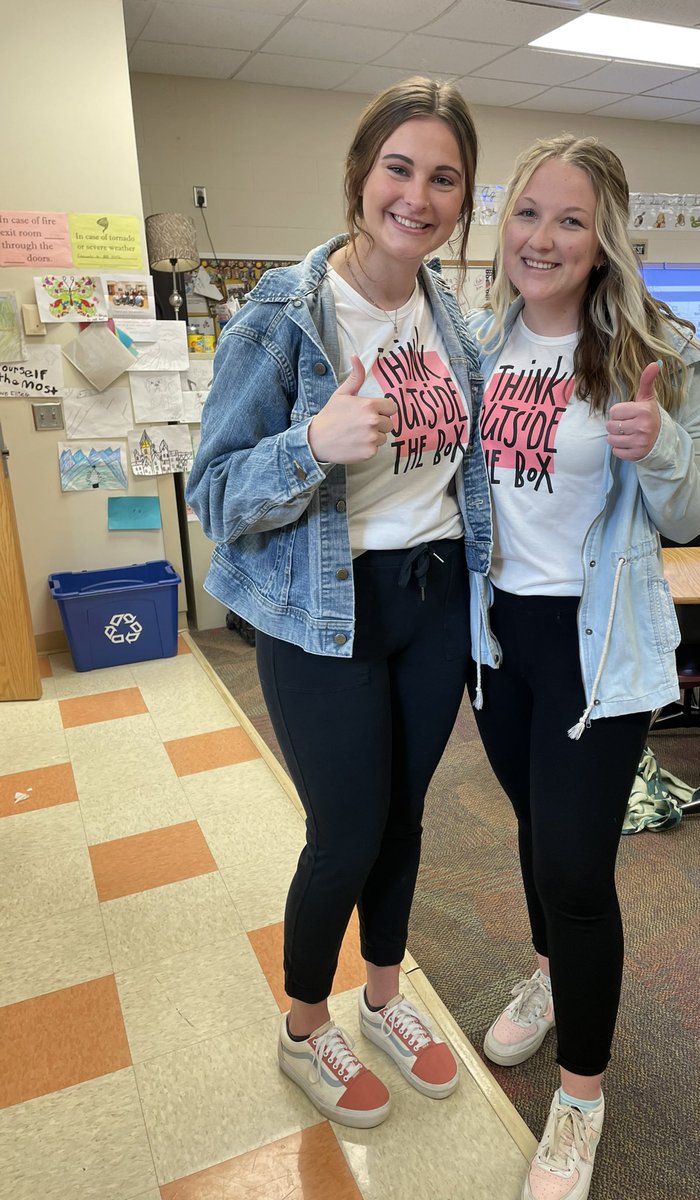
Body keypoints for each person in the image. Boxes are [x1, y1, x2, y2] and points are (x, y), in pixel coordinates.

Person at [186, 77, 491, 1131]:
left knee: (404, 819)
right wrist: (312, 444)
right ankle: (306, 1025)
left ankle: (385, 997)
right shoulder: (283, 313)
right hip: (324, 609)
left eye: (444, 177)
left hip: (433, 594)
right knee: (347, 827)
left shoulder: (453, 317)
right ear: (361, 173)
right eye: (399, 167)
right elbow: (213, 495)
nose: (418, 194)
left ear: (463, 199)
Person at [468, 135, 700, 1200]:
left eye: (571, 220)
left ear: (604, 237)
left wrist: (656, 438)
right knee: (534, 833)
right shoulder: (478, 340)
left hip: (594, 644)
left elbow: (694, 514)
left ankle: (582, 1095)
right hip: (497, 639)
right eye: (529, 213)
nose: (544, 238)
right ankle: (547, 974)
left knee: (575, 866)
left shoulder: (653, 350)